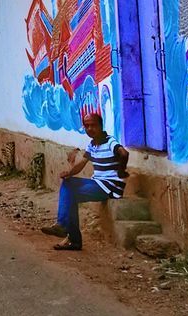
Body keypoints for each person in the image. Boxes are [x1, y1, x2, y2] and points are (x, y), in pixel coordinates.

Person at [41, 108, 129, 252]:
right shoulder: (92, 145)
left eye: (93, 125)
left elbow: (124, 153)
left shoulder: (110, 141)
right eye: (87, 126)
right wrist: (69, 173)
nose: (90, 129)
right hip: (98, 183)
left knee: (71, 195)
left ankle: (68, 233)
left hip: (110, 186)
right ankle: (65, 229)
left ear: (101, 126)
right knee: (68, 183)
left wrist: (121, 170)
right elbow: (81, 164)